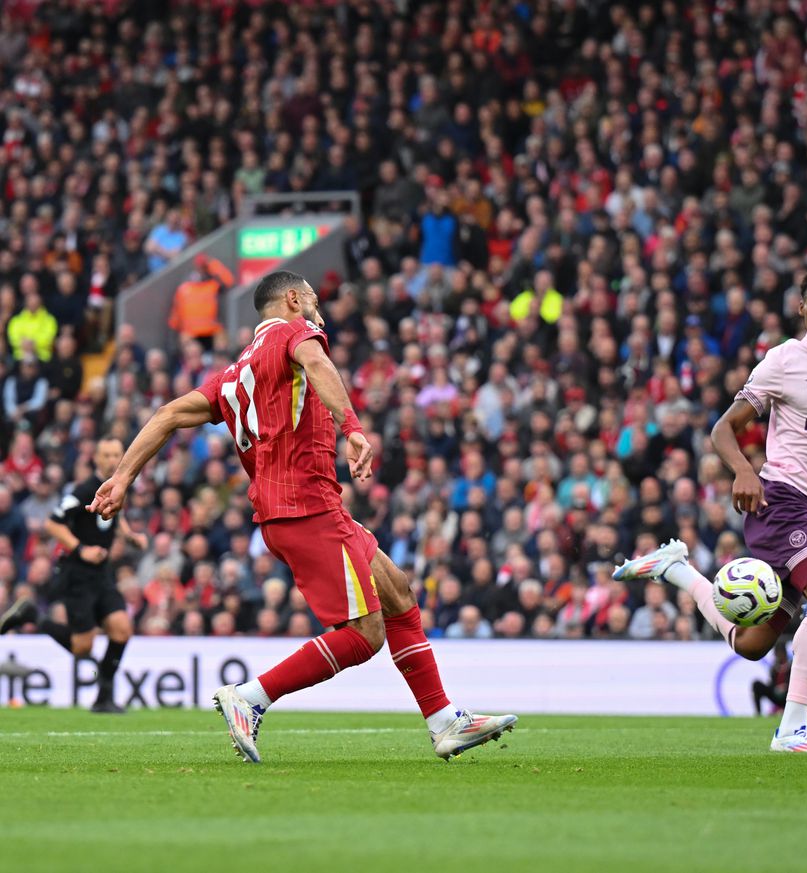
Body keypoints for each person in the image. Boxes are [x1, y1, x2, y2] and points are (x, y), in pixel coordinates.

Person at [88, 271, 515, 763]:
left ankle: (444, 721)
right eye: (312, 299)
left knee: (397, 592)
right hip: (305, 508)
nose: (319, 310)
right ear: (292, 299)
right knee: (365, 634)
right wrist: (351, 428)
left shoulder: (233, 375)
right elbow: (315, 358)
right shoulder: (294, 335)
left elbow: (166, 414)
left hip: (298, 509)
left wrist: (122, 478)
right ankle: (250, 698)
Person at [614, 266, 807, 752]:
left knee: (750, 646)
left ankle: (677, 570)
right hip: (780, 500)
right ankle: (793, 728)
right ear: (801, 309)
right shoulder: (783, 361)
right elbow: (722, 428)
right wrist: (745, 471)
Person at [0, 439, 147, 713]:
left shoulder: (117, 485)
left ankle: (104, 698)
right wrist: (81, 549)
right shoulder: (82, 490)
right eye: (107, 454)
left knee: (122, 630)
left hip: (101, 573)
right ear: (97, 459)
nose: (113, 459)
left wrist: (130, 536)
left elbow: (116, 515)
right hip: (77, 573)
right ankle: (32, 614)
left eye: (117, 454)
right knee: (82, 647)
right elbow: (52, 524)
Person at [751, 639, 791, 716]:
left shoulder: (791, 665)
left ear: (784, 653)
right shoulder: (774, 667)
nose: (778, 656)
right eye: (777, 654)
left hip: (788, 696)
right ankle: (758, 713)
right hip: (775, 693)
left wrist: (785, 686)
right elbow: (772, 683)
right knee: (756, 684)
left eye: (780, 653)